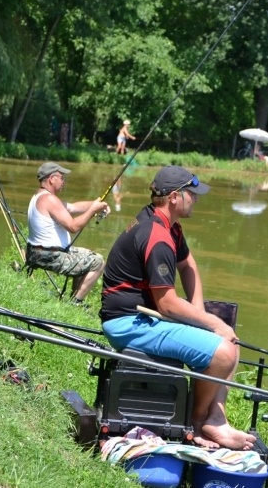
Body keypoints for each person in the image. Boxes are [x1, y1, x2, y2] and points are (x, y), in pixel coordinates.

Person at [100, 165, 256, 451]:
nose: (196, 199)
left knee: (229, 339)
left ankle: (216, 418)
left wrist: (199, 313)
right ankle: (197, 425)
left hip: (144, 317)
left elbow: (188, 265)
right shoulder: (156, 235)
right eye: (192, 194)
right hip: (128, 322)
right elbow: (167, 304)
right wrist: (210, 322)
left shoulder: (167, 225)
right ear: (174, 197)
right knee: (223, 352)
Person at [26, 162, 110, 306]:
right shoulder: (49, 199)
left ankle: (73, 299)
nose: (63, 181)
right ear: (52, 178)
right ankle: (76, 303)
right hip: (49, 256)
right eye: (61, 177)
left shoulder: (40, 196)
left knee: (87, 255)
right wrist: (92, 211)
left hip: (38, 252)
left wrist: (97, 204)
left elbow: (73, 207)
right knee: (98, 261)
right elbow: (73, 227)